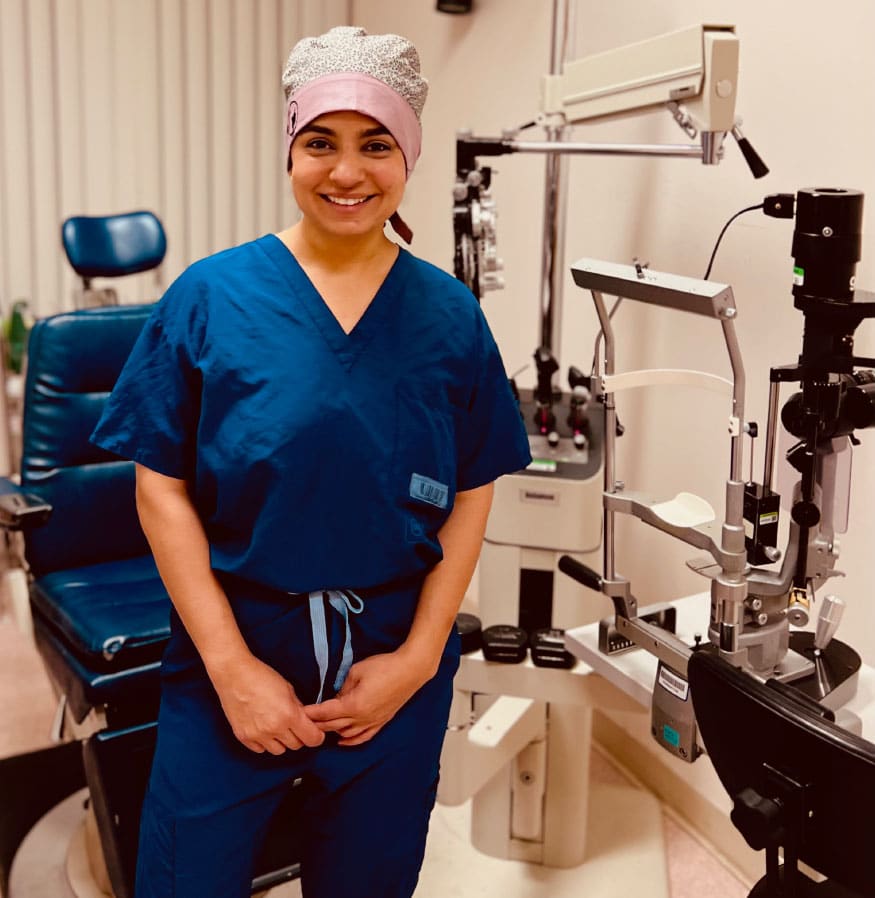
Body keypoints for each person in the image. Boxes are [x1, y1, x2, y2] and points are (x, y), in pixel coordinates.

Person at [91, 24, 531, 898]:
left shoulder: (447, 316)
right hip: (238, 649)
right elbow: (160, 486)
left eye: (376, 144)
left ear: (408, 156)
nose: (346, 171)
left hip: (392, 659)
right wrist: (230, 669)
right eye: (319, 142)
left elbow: (472, 490)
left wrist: (414, 660)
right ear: (290, 148)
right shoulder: (212, 298)